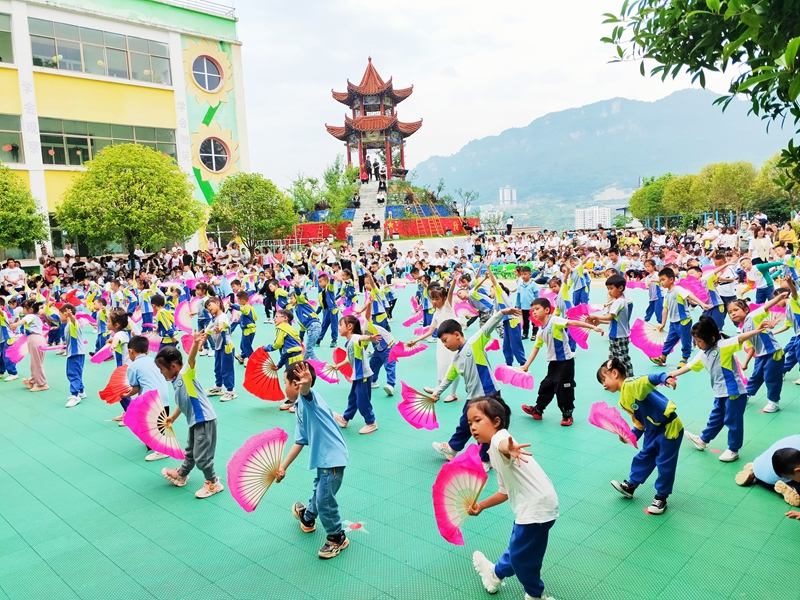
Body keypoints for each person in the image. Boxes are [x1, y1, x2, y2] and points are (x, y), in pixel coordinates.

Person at [468, 396, 559, 600]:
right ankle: (494, 574)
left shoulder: (500, 439)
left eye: (477, 420)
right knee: (521, 548)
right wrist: (481, 505)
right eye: (470, 423)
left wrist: (509, 448)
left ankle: (535, 595)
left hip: (535, 509)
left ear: (496, 422)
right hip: (541, 505)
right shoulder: (493, 452)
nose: (472, 427)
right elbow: (504, 492)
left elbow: (503, 445)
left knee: (522, 559)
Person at [670, 315, 770, 463]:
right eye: (695, 341)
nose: (697, 344)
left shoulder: (723, 346)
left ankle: (733, 450)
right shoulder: (703, 353)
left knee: (733, 421)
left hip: (734, 393)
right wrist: (673, 374)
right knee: (716, 418)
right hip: (720, 392)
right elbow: (690, 365)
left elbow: (740, 338)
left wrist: (756, 331)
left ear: (711, 338)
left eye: (699, 341)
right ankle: (703, 440)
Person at [276, 361, 350, 559]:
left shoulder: (308, 398)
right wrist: (283, 467)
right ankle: (308, 517)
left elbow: (306, 392)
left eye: (285, 382)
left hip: (332, 459)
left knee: (325, 500)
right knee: (320, 491)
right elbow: (299, 441)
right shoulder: (299, 407)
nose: (284, 387)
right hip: (323, 459)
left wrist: (306, 384)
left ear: (295, 384)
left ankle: (337, 537)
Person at [430, 306, 520, 468]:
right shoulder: (456, 359)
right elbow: (448, 378)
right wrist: (437, 393)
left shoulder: (474, 343)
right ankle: (452, 448)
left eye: (445, 340)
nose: (444, 344)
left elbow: (488, 326)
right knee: (465, 424)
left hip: (489, 394)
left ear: (456, 334)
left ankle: (486, 459)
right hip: (473, 398)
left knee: (486, 427)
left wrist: (502, 313)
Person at [597, 359, 683, 515]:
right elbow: (639, 423)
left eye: (604, 379)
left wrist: (665, 378)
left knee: (665, 463)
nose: (603, 384)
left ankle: (661, 497)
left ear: (615, 373)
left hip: (669, 426)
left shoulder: (632, 384)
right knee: (644, 457)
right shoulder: (623, 401)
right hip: (652, 430)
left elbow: (650, 378)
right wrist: (630, 436)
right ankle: (631, 486)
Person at [157, 333, 224, 498]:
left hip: (204, 420)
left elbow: (191, 359)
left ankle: (213, 483)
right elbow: (183, 402)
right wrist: (173, 417)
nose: (161, 373)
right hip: (195, 421)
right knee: (191, 451)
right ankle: (181, 474)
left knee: (202, 457)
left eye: (162, 369)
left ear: (173, 366)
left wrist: (194, 344)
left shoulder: (186, 373)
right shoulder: (175, 381)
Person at [520, 298, 603, 426]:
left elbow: (572, 323)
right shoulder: (541, 330)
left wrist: (593, 327)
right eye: (532, 310)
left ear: (547, 310)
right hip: (553, 363)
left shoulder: (554, 321)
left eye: (537, 309)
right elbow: (536, 348)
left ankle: (567, 415)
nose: (534, 312)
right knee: (546, 385)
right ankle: (538, 410)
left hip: (566, 362)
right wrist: (526, 365)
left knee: (563, 388)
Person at [729, 295, 786, 413]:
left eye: (736, 310)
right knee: (756, 376)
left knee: (771, 378)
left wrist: (778, 298)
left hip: (773, 353)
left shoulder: (752, 316)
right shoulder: (743, 329)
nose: (733, 313)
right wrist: (745, 362)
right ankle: (747, 394)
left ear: (746, 310)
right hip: (760, 356)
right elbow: (752, 348)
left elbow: (766, 306)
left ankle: (774, 402)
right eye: (730, 312)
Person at [649, 267, 711, 368]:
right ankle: (663, 357)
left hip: (684, 321)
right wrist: (663, 324)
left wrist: (702, 304)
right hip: (673, 323)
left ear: (671, 279)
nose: (661, 282)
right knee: (669, 340)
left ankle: (684, 358)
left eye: (663, 280)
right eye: (660, 280)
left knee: (685, 341)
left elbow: (690, 295)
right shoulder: (667, 294)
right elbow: (665, 309)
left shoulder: (678, 289)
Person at [126, 334, 172, 461]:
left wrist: (126, 395)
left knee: (145, 422)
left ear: (131, 351)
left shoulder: (133, 366)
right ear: (147, 351)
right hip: (165, 399)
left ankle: (161, 450)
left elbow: (135, 388)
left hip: (150, 401)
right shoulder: (155, 361)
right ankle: (155, 443)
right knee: (159, 424)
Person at [331, 315, 381, 434]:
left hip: (363, 376)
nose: (339, 328)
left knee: (362, 401)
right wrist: (339, 365)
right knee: (353, 399)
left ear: (349, 326)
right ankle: (344, 419)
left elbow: (361, 337)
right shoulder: (349, 343)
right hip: (357, 376)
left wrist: (369, 338)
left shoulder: (354, 338)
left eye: (340, 325)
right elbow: (349, 358)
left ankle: (371, 422)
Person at [736, 435, 800, 509]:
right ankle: (794, 487)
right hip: (778, 476)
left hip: (759, 467)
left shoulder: (794, 438)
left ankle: (753, 471)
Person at [587, 274, 633, 377]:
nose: (609, 291)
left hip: (620, 336)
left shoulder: (619, 302)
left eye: (611, 288)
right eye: (608, 288)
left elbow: (609, 317)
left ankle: (630, 378)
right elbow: (614, 320)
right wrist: (600, 321)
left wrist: (596, 317)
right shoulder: (620, 301)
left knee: (623, 359)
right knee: (614, 359)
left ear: (620, 288)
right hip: (615, 335)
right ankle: (617, 378)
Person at [10, 300, 48, 392]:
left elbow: (23, 321)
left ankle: (42, 384)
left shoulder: (30, 316)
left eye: (24, 308)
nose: (22, 310)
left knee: (36, 363)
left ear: (30, 309)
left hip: (34, 339)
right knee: (36, 363)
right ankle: (31, 381)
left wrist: (15, 325)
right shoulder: (36, 317)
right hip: (39, 339)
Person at [203, 297, 236, 402]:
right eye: (207, 308)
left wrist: (220, 329)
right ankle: (218, 387)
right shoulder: (213, 319)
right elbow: (207, 332)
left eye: (209, 305)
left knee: (227, 369)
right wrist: (200, 345)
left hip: (226, 347)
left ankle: (231, 391)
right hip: (218, 347)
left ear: (217, 303)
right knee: (217, 368)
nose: (208, 308)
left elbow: (221, 324)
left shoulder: (223, 316)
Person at [59, 303, 86, 408]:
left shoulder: (72, 323)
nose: (59, 316)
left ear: (66, 314)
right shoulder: (68, 325)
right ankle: (81, 391)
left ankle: (75, 395)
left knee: (73, 373)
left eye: (60, 314)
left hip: (76, 353)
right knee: (76, 373)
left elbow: (74, 322)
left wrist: (71, 316)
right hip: (75, 353)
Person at [232, 291, 257, 366]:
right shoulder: (250, 308)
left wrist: (232, 305)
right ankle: (242, 357)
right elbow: (253, 317)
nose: (238, 302)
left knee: (246, 346)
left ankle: (253, 360)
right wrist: (239, 321)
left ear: (242, 301)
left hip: (248, 330)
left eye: (238, 300)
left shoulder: (246, 308)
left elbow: (240, 308)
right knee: (243, 345)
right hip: (249, 330)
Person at [0, 297, 18, 381]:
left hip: (8, 338)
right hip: (1, 339)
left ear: (1, 307)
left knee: (7, 356)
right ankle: (1, 371)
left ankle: (13, 373)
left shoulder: (3, 313)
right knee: (1, 357)